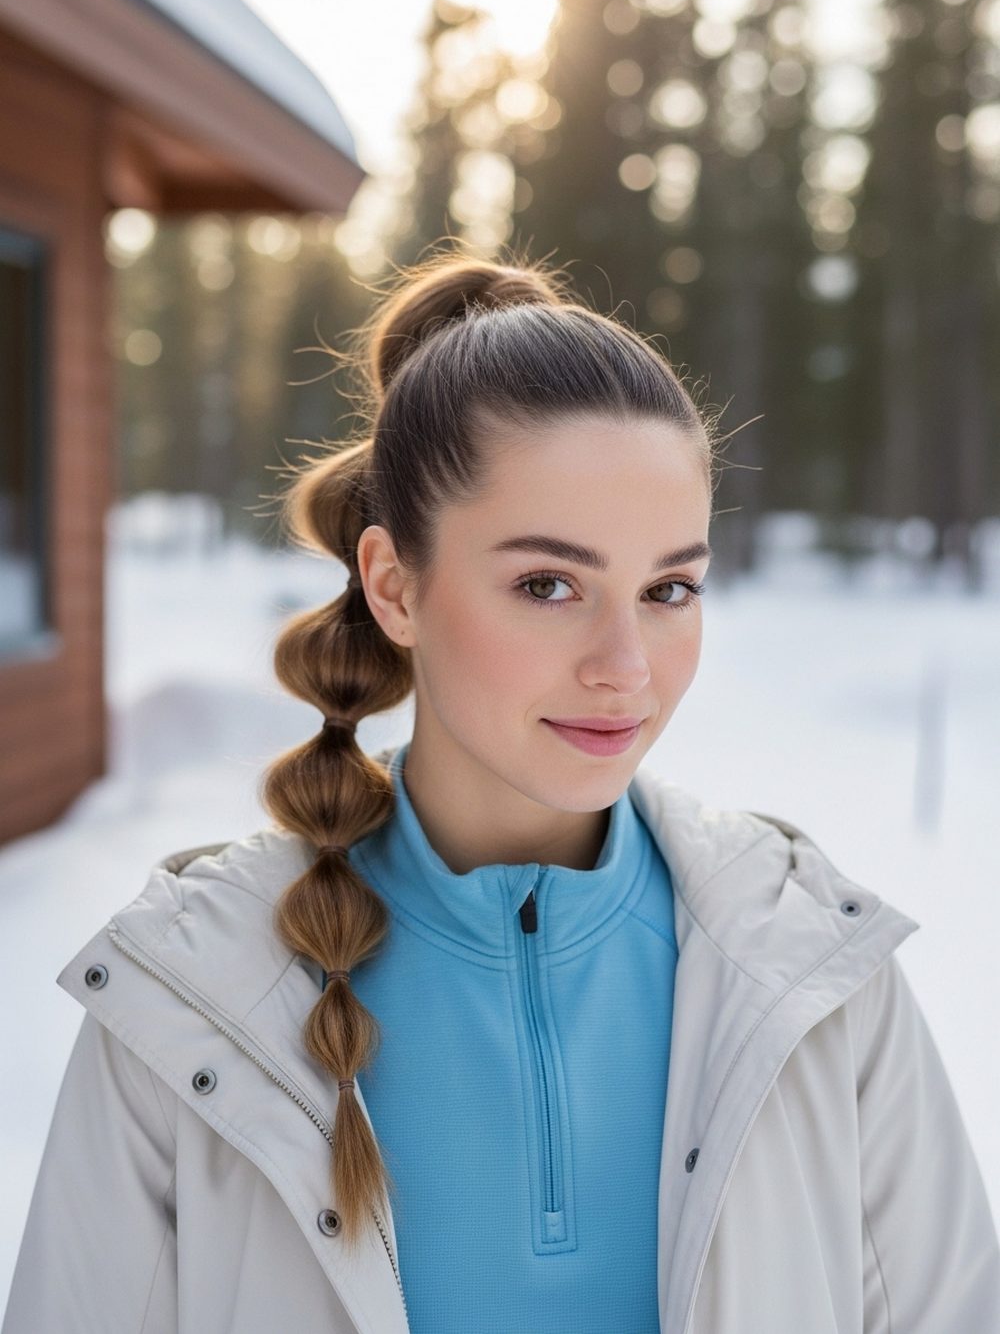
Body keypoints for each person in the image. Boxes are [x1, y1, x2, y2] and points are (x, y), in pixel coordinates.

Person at [4, 248, 998, 1334]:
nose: (625, 664)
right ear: (394, 585)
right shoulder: (191, 997)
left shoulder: (814, 971)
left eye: (669, 588)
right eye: (547, 584)